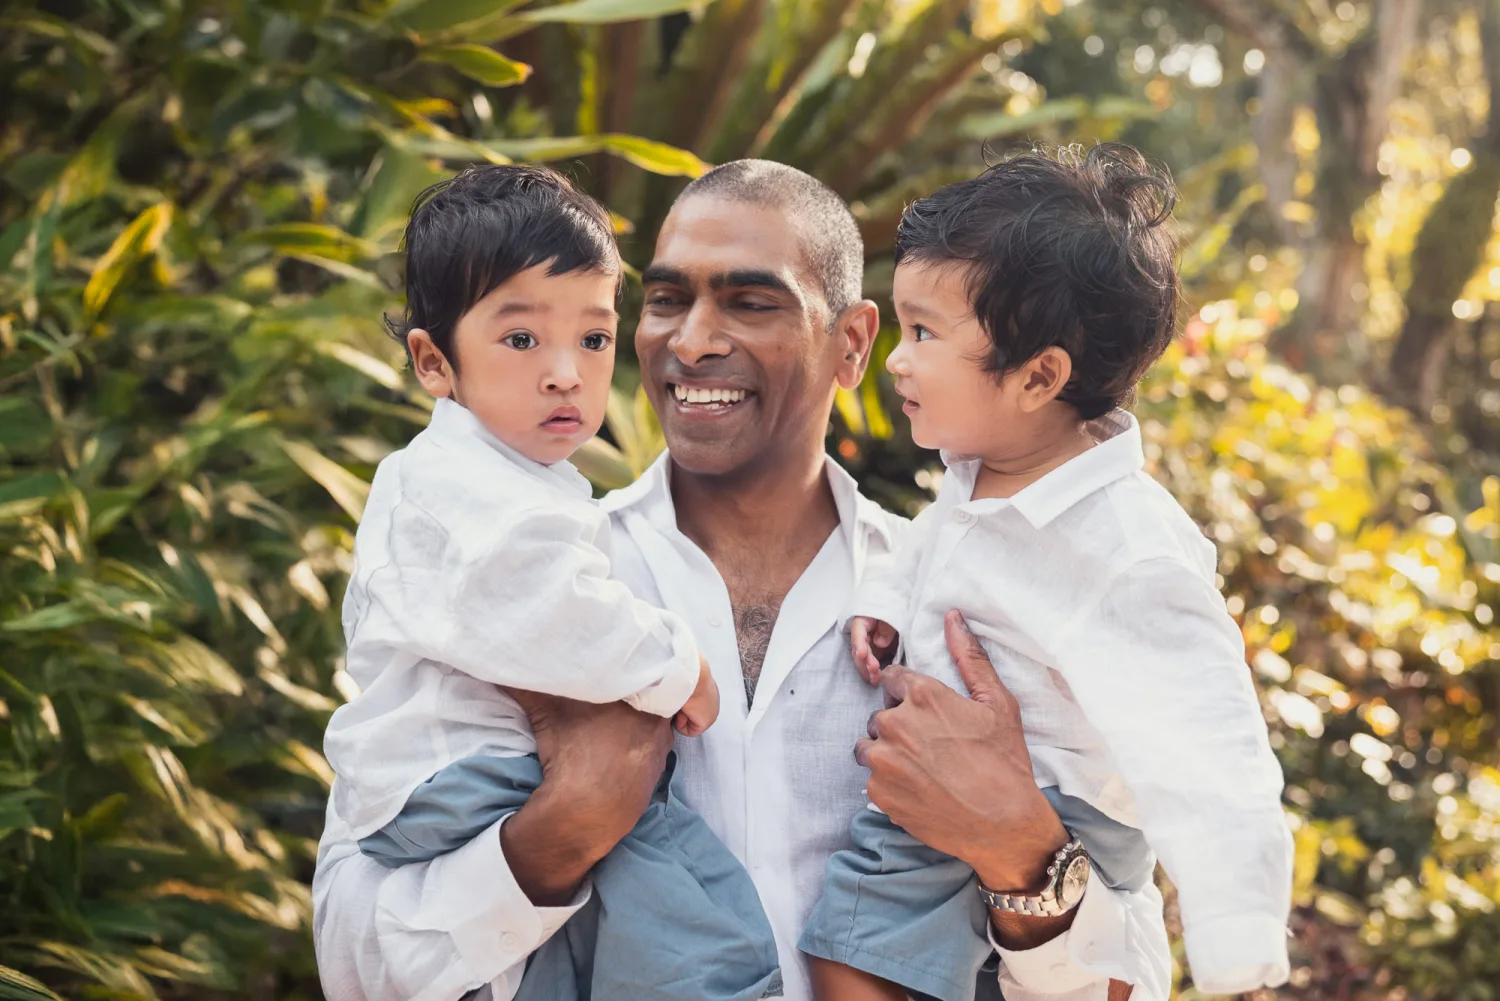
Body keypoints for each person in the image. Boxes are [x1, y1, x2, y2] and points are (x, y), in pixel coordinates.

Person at [312, 159, 1177, 1001]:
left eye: (750, 301)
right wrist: (552, 838)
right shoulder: (519, 587)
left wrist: (1021, 846)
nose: (691, 341)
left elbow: (1131, 971)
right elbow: (353, 953)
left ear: (853, 344)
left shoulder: (971, 604)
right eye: (664, 300)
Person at [799, 145, 1293, 1001]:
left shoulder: (1128, 547)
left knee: (849, 956)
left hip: (1066, 824)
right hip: (946, 814)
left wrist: (1234, 937)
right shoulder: (980, 471)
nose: (898, 359)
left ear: (1039, 376)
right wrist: (883, 602)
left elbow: (1209, 744)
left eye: (924, 332)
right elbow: (925, 553)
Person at [321, 163, 780, 1001]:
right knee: (677, 885)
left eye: (594, 338)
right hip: (456, 777)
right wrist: (678, 666)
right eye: (523, 338)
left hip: (463, 790)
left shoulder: (504, 481)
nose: (567, 371)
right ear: (433, 361)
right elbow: (547, 608)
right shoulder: (461, 486)